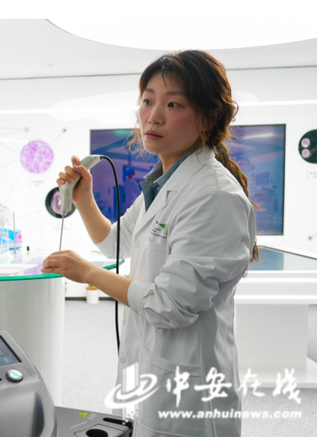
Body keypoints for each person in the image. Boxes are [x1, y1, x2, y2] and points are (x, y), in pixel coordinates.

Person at [42, 50, 258, 437]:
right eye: (147, 100)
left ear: (209, 117)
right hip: (153, 372)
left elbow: (169, 304)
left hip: (190, 395)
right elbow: (116, 243)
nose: (153, 116)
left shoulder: (213, 194)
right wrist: (84, 201)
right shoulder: (162, 183)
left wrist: (87, 273)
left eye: (173, 104)